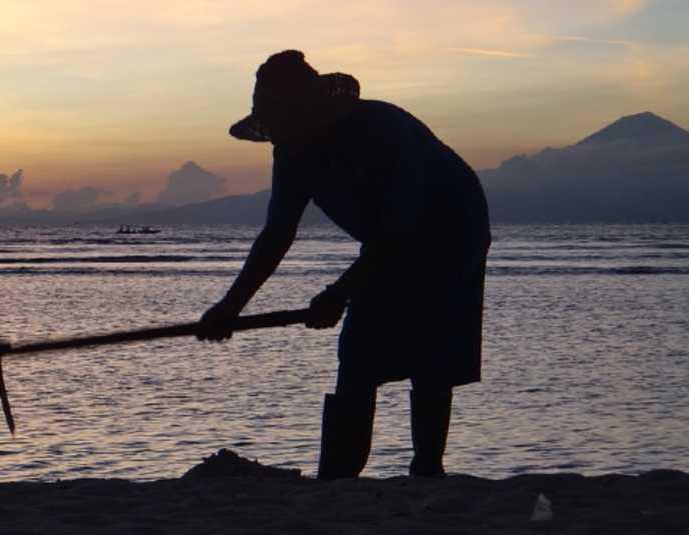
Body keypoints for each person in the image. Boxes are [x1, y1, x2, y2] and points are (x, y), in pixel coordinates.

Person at [195, 50, 491, 479]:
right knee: (357, 354)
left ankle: (427, 467)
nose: (280, 137)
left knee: (432, 350)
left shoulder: (383, 131)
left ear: (310, 112)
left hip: (453, 228)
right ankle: (337, 477)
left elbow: (401, 233)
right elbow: (277, 234)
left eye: (284, 122)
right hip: (389, 237)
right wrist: (230, 307)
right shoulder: (291, 152)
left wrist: (338, 294)